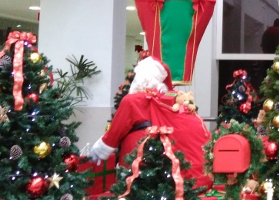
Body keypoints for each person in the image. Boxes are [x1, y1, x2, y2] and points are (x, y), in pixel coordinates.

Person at [89, 56, 212, 188]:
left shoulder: (132, 100)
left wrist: (100, 148)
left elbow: (115, 131)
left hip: (136, 159)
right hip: (165, 163)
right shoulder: (170, 100)